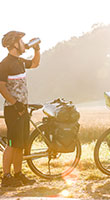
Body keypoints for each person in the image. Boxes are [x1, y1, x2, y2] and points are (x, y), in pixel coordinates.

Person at [0, 31, 40, 187]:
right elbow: (1, 87)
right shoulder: (4, 64)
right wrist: (15, 103)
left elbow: (35, 64)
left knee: (20, 144)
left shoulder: (20, 61)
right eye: (21, 42)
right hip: (13, 109)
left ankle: (18, 174)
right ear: (14, 44)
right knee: (12, 143)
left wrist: (36, 49)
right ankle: (6, 177)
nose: (24, 45)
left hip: (23, 108)